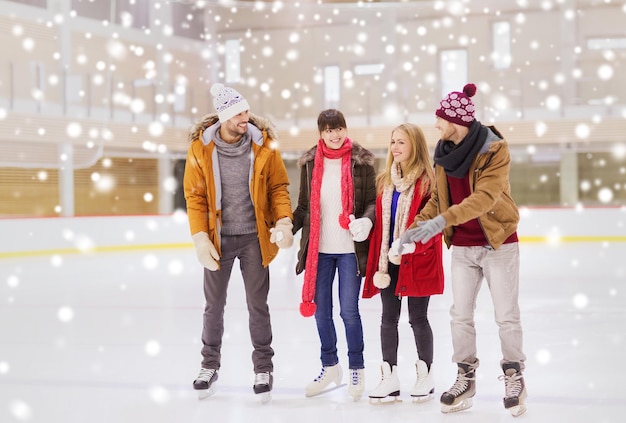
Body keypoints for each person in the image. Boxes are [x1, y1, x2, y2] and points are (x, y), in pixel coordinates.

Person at [399, 83, 527, 417]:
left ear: (456, 121)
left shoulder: (494, 149)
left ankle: (514, 375)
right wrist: (416, 226)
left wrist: (439, 222)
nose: (436, 125)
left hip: (497, 242)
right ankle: (465, 376)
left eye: (440, 119)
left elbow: (484, 198)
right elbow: (440, 200)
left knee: (506, 316)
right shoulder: (444, 152)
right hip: (464, 247)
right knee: (460, 316)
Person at [184, 83, 293, 403]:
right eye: (239, 113)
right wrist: (200, 236)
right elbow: (195, 196)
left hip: (254, 238)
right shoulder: (200, 149)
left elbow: (278, 188)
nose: (246, 117)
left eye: (246, 111)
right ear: (224, 116)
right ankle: (209, 366)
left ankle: (263, 367)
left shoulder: (264, 145)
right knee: (213, 306)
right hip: (219, 238)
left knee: (258, 305)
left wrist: (284, 220)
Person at [292, 109, 376, 401]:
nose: (335, 134)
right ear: (321, 133)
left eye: (338, 128)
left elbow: (370, 203)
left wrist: (366, 220)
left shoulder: (361, 162)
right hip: (320, 252)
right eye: (328, 130)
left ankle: (357, 368)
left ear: (345, 129)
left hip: (350, 251)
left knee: (349, 312)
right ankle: (330, 367)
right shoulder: (308, 164)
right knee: (322, 313)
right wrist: (284, 229)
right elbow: (303, 207)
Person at [362, 123, 444, 403]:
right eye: (393, 142)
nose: (395, 147)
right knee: (388, 318)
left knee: (418, 318)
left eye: (402, 142)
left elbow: (434, 224)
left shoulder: (428, 181)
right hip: (389, 260)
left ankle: (426, 373)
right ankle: (390, 376)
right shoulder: (386, 180)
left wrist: (410, 245)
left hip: (417, 258)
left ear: (415, 146)